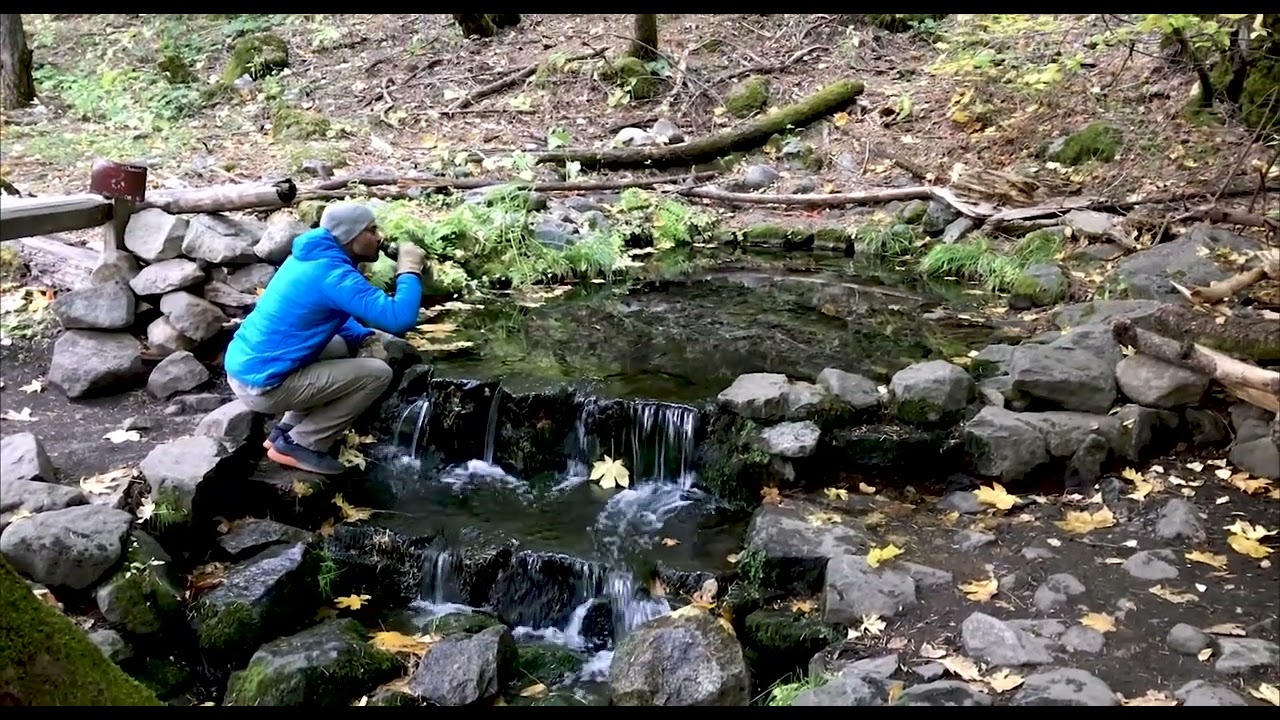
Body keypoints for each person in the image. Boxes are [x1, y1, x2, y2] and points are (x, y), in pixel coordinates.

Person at [223, 202, 428, 475]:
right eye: (371, 230)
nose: (379, 236)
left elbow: (329, 312)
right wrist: (409, 271)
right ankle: (301, 443)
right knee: (378, 373)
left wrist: (363, 337)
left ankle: (285, 429)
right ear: (350, 237)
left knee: (340, 345)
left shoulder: (309, 257)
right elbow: (398, 318)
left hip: (247, 368)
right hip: (263, 387)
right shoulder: (333, 274)